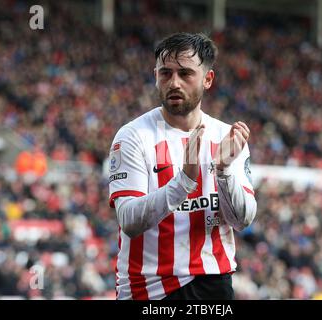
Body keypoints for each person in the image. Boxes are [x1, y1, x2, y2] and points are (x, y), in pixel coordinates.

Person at [108, 32, 257, 300]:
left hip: (213, 282)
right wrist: (184, 181)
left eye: (185, 74)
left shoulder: (228, 137)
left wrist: (223, 172)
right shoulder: (132, 137)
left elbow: (242, 219)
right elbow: (128, 220)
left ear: (207, 79)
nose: (174, 82)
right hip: (150, 288)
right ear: (155, 76)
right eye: (165, 73)